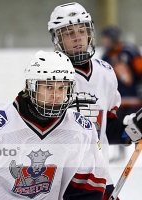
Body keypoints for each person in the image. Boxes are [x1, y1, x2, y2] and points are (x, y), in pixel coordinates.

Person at [0, 50, 107, 200]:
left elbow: (85, 187)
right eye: (48, 86)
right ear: (30, 87)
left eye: (62, 87)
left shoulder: (80, 130)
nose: (56, 95)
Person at [47, 2, 142, 199]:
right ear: (57, 39)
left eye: (82, 30)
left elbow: (106, 129)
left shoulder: (105, 72)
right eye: (69, 33)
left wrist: (133, 130)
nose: (77, 38)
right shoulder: (46, 76)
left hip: (98, 179)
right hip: (58, 182)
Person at [101, 25, 142, 160]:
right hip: (118, 101)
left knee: (138, 125)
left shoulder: (130, 51)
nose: (104, 42)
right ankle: (121, 153)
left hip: (134, 99)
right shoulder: (106, 56)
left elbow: (140, 71)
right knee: (119, 126)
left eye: (106, 39)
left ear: (114, 39)